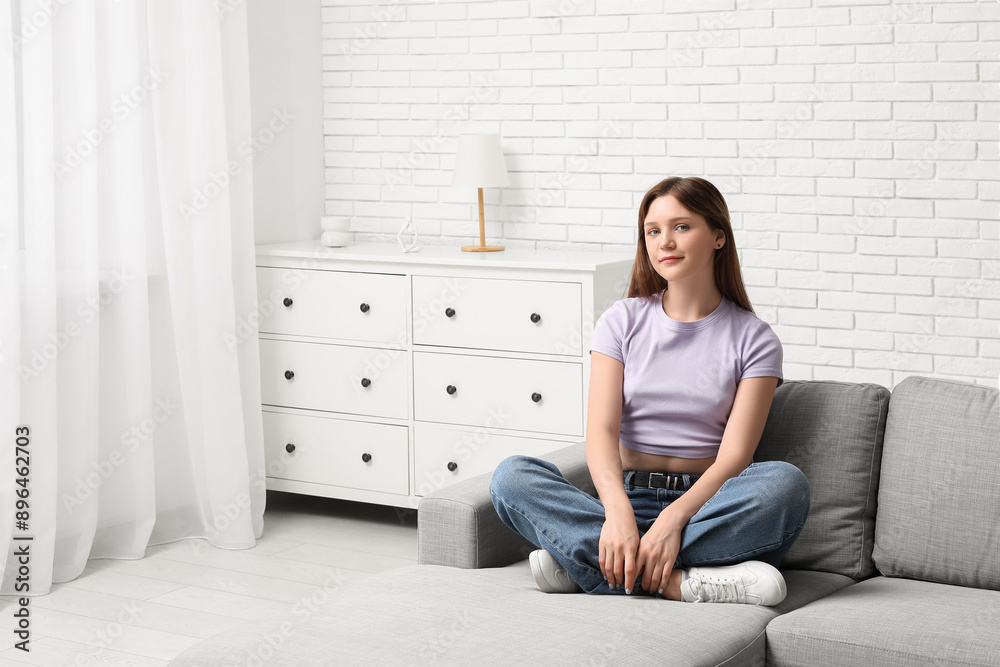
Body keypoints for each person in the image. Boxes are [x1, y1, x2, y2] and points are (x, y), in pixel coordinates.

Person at [489, 176, 811, 605]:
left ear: (718, 236)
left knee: (785, 484)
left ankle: (591, 565)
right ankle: (676, 581)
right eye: (653, 231)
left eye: (682, 227)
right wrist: (617, 514)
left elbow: (735, 457)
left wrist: (673, 520)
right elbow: (602, 431)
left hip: (707, 507)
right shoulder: (621, 321)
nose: (665, 242)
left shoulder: (754, 338)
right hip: (626, 497)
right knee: (511, 477)